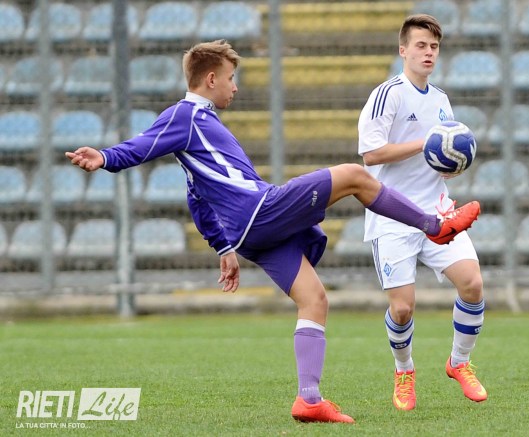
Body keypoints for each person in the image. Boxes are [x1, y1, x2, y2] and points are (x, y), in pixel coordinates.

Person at [65, 40, 480, 423]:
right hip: (259, 210)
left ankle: (309, 399)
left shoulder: (199, 128)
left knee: (314, 300)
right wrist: (105, 157)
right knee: (355, 175)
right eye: (231, 78)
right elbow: (142, 145)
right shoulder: (186, 115)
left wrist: (223, 247)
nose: (235, 87)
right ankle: (435, 226)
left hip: (248, 235)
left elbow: (196, 196)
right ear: (210, 79)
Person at [357, 15, 488, 412]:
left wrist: (451, 163)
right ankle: (404, 371)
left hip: (437, 210)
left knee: (473, 284)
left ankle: (459, 363)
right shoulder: (388, 95)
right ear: (403, 50)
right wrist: (425, 142)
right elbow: (371, 154)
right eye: (420, 46)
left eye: (434, 47)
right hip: (393, 216)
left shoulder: (441, 100)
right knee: (402, 308)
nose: (428, 52)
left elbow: (441, 152)